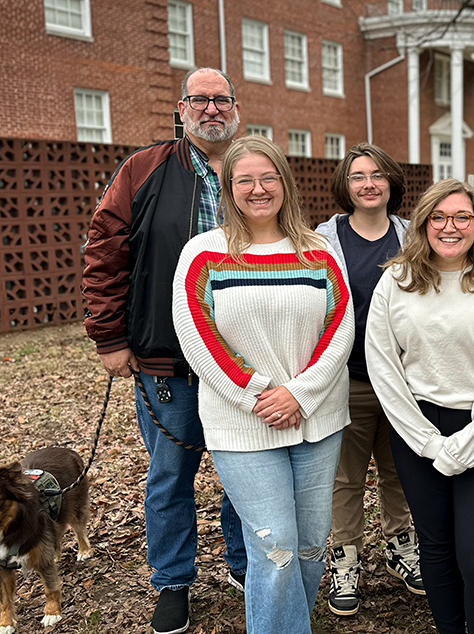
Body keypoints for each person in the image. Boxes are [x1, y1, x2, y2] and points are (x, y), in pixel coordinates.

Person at [82, 67, 248, 634]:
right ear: (181, 110)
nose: (211, 109)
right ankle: (173, 581)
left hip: (244, 360)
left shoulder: (255, 168)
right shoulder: (144, 169)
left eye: (220, 99)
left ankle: (244, 565)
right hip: (167, 359)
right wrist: (109, 336)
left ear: (236, 108)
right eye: (199, 100)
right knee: (170, 476)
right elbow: (104, 250)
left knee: (245, 470)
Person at [171, 135, 354, 634]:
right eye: (245, 180)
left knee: (311, 547)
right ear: (228, 187)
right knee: (276, 550)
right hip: (243, 424)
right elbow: (197, 333)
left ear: (284, 183)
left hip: (317, 419)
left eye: (268, 177)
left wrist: (299, 393)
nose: (258, 189)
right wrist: (259, 394)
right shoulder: (204, 253)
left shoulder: (318, 250)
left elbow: (340, 325)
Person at [366, 179, 474, 634]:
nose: (450, 227)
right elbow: (384, 367)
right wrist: (426, 441)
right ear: (423, 224)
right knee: (436, 548)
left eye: (462, 217)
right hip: (417, 428)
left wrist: (468, 443)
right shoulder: (396, 281)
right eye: (438, 217)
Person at [315, 143, 423, 616]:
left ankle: (401, 545)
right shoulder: (324, 239)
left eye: (377, 175)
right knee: (346, 476)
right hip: (348, 380)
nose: (368, 184)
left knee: (401, 470)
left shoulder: (413, 236)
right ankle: (346, 559)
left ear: (391, 182)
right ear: (346, 185)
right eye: (358, 176)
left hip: (403, 381)